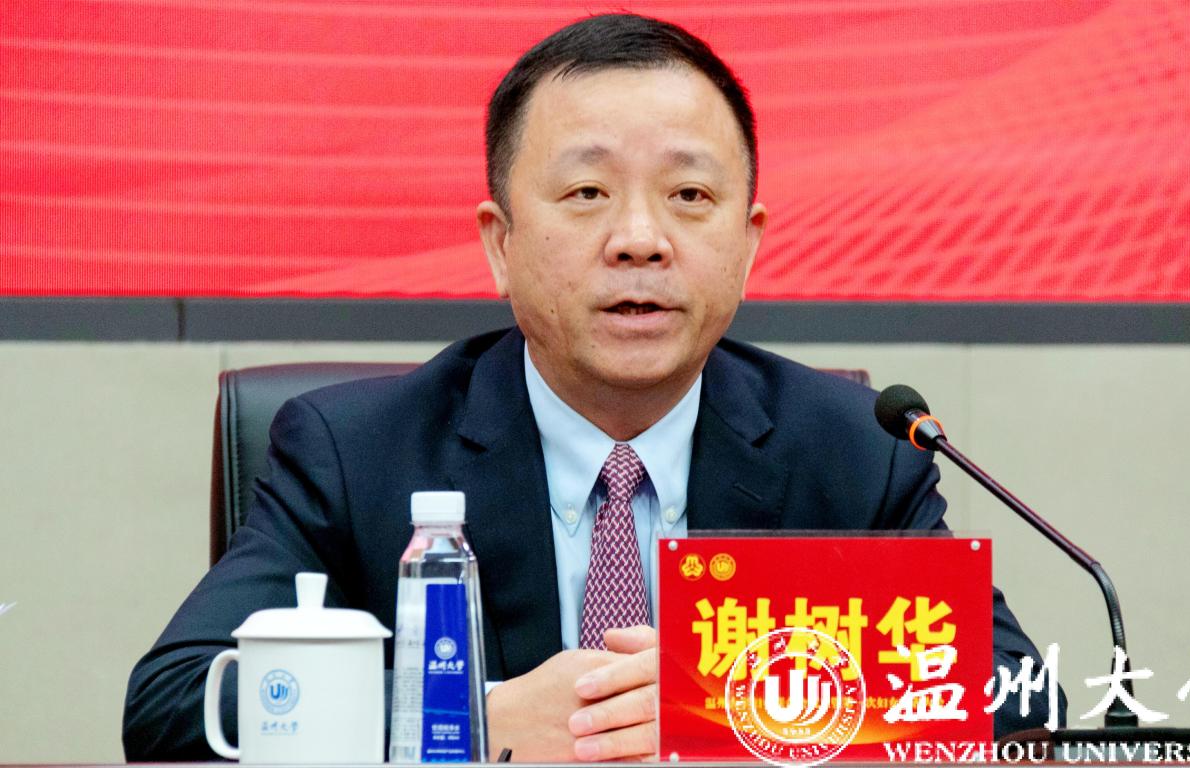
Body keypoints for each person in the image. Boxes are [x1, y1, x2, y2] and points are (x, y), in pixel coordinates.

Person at [123, 13, 1062, 762]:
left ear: (747, 245)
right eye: (586, 194)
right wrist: (470, 721)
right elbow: (171, 707)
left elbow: (1022, 705)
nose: (639, 240)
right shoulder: (356, 451)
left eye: (689, 196)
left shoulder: (856, 450)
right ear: (500, 243)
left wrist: (724, 700)